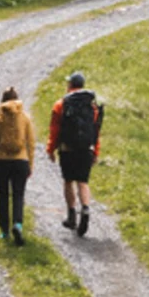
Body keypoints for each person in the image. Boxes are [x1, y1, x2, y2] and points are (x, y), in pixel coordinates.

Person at [46, 71, 104, 236]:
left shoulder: (61, 104)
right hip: (86, 149)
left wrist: (51, 149)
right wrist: (96, 151)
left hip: (67, 149)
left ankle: (71, 215)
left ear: (70, 84)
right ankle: (85, 208)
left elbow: (55, 130)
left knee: (68, 181)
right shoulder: (92, 106)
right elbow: (95, 130)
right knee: (83, 182)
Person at [0, 86, 35, 245]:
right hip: (21, 161)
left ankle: (5, 231)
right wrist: (30, 164)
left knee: (3, 195)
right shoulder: (25, 117)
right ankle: (17, 224)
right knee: (18, 194)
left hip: (2, 162)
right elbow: (31, 143)